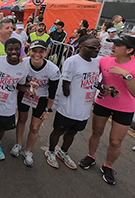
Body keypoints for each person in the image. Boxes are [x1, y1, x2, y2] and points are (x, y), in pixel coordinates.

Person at [79, 35, 135, 185]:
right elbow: (92, 80)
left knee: (115, 142)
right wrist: (104, 88)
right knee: (96, 132)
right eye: (114, 44)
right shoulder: (103, 61)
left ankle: (108, 166)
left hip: (125, 108)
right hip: (103, 102)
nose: (113, 47)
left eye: (118, 45)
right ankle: (91, 156)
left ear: (129, 50)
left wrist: (126, 75)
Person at [45, 35, 100, 170]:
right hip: (68, 107)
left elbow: (94, 81)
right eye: (92, 48)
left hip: (84, 108)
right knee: (58, 130)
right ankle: (51, 151)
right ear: (81, 47)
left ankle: (63, 152)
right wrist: (70, 98)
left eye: (98, 47)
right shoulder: (72, 61)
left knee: (72, 132)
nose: (97, 50)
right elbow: (66, 84)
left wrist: (101, 88)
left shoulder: (96, 62)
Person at [0, 38, 37, 161]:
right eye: (10, 49)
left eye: (17, 49)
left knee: (1, 127)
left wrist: (27, 88)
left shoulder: (23, 68)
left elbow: (20, 86)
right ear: (5, 50)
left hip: (8, 105)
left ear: (21, 50)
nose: (14, 52)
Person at [11, 40, 60, 167]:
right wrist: (28, 85)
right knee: (21, 119)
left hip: (42, 98)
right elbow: (18, 83)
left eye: (41, 51)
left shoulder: (52, 69)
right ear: (29, 51)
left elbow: (53, 92)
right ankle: (18, 143)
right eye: (34, 51)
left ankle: (28, 151)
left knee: (34, 127)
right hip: (25, 94)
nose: (37, 54)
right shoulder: (23, 63)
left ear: (46, 52)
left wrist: (48, 110)